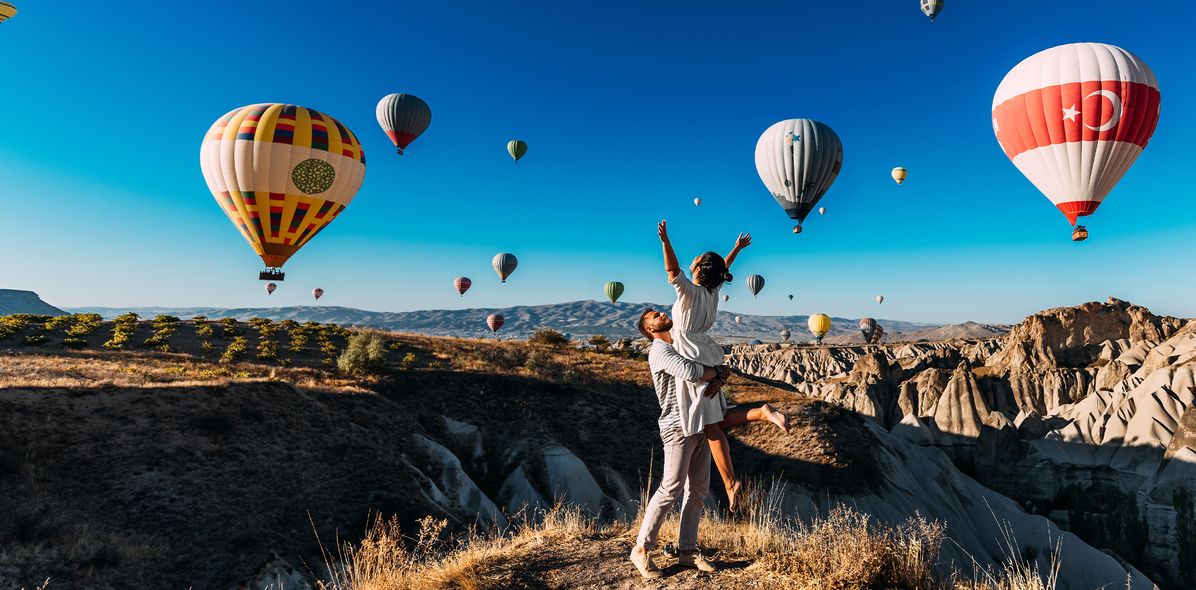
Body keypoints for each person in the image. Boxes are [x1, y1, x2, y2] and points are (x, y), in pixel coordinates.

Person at [657, 220, 790, 513]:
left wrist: (665, 241)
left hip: (690, 354)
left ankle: (730, 483)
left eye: (695, 260)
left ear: (698, 270)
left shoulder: (689, 292)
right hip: (707, 352)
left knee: (709, 425)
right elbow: (721, 269)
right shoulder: (712, 293)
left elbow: (671, 270)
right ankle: (761, 412)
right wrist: (736, 250)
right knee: (717, 418)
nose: (691, 261)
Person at [630, 308, 726, 578]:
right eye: (653, 316)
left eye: (659, 311)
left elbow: (709, 365)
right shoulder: (659, 350)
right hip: (676, 427)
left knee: (698, 489)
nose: (661, 313)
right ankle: (641, 549)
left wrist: (717, 372)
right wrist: (717, 372)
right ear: (649, 329)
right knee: (670, 488)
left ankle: (687, 551)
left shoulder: (682, 346)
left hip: (699, 423)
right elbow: (690, 371)